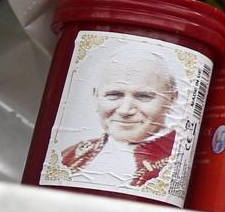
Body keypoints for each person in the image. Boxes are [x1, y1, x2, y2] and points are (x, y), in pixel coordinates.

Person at [54, 42, 185, 190]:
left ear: (172, 99)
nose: (125, 110)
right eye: (114, 95)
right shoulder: (70, 155)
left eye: (143, 96)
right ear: (96, 96)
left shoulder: (180, 162)